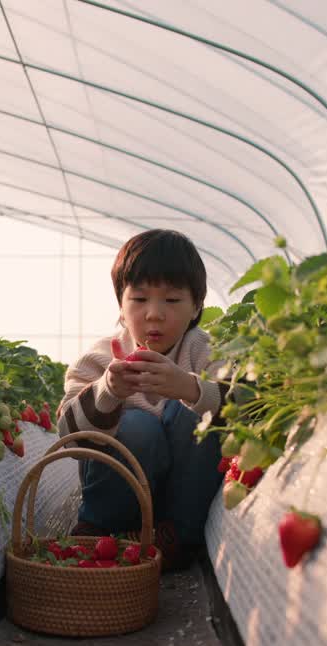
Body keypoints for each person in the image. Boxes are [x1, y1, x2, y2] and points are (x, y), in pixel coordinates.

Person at [57, 229, 227, 571]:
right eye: (139, 299)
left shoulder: (203, 350)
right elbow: (66, 432)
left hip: (175, 509)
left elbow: (247, 405)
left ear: (196, 307)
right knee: (137, 425)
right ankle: (98, 530)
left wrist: (190, 388)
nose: (154, 313)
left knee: (199, 412)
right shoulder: (101, 358)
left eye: (172, 300)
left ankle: (177, 536)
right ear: (121, 304)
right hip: (118, 503)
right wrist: (108, 392)